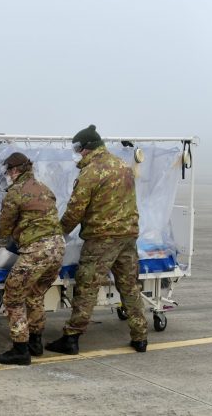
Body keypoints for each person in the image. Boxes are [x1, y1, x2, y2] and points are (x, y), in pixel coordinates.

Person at [45, 125, 148, 355]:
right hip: (128, 236)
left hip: (102, 239)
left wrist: (59, 233)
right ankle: (140, 336)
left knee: (87, 287)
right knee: (129, 286)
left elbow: (75, 210)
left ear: (87, 148)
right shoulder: (123, 166)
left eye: (78, 149)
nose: (77, 153)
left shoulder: (91, 172)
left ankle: (72, 338)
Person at [0, 152, 65, 366]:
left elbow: (4, 226)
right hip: (58, 249)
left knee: (13, 296)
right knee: (35, 294)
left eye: (7, 171)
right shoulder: (45, 188)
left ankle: (20, 349)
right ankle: (35, 342)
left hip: (37, 251)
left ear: (15, 170)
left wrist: (0, 240)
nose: (7, 175)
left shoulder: (15, 192)